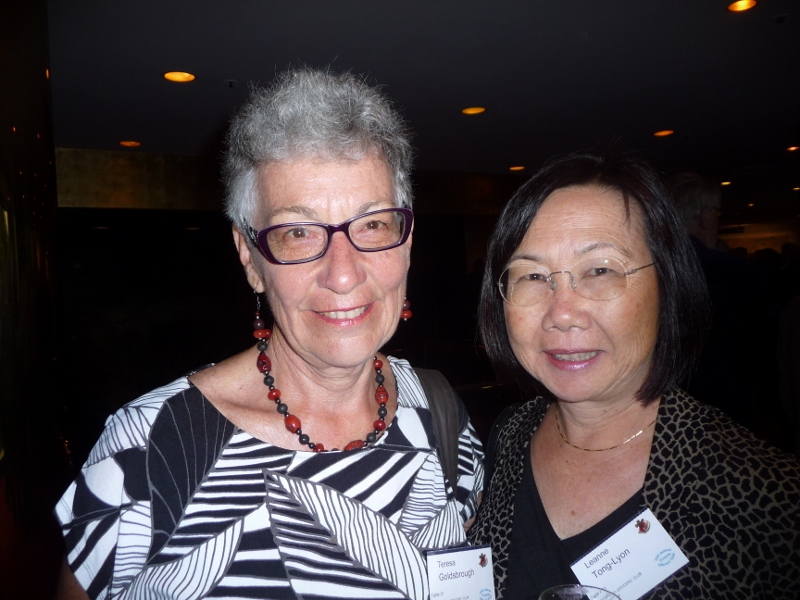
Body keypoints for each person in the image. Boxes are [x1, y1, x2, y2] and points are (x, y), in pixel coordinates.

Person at [55, 68, 484, 600]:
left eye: (373, 223)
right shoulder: (148, 449)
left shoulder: (442, 417)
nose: (343, 274)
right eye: (298, 232)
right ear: (250, 258)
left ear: (407, 241)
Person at [467, 154, 800, 598]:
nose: (561, 313)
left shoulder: (769, 499)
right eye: (533, 276)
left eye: (600, 270)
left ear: (667, 284)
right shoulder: (509, 436)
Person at [668, 172, 770, 429]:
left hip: (666, 407)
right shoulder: (739, 272)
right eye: (717, 212)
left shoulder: (652, 270)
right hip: (725, 406)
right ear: (706, 215)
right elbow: (757, 347)